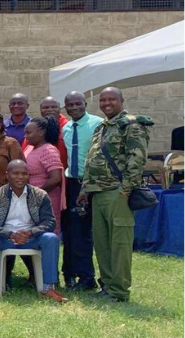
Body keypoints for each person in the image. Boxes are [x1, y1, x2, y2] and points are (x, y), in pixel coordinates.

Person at [80, 87, 153, 303]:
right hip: (97, 193)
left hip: (117, 193)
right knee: (102, 244)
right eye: (103, 100)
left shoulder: (131, 124)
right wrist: (85, 188)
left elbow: (137, 158)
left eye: (112, 99)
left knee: (119, 243)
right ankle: (107, 286)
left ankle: (119, 291)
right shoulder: (102, 127)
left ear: (121, 100)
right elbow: (91, 160)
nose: (106, 103)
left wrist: (126, 189)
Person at [0, 160, 65, 302]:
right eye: (16, 173)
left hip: (32, 237)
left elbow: (50, 221)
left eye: (24, 174)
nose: (20, 177)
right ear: (7, 175)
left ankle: (49, 288)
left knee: (51, 238)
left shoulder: (40, 195)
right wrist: (10, 234)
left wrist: (31, 232)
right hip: (5, 238)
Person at [61, 91, 103, 290]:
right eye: (70, 104)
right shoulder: (67, 128)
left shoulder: (98, 124)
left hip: (93, 183)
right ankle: (73, 274)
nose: (75, 107)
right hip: (72, 183)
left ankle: (88, 277)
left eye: (78, 103)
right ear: (66, 107)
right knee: (72, 232)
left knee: (86, 233)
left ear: (85, 103)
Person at [23, 117, 64, 233]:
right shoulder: (30, 148)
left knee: (46, 232)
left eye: (29, 133)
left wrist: (37, 194)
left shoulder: (48, 150)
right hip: (30, 198)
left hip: (46, 199)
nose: (25, 136)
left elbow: (56, 178)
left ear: (41, 132)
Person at [39, 96, 69, 167]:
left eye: (53, 107)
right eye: (46, 108)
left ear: (59, 109)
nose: (50, 110)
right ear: (40, 110)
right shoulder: (36, 127)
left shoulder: (68, 127)